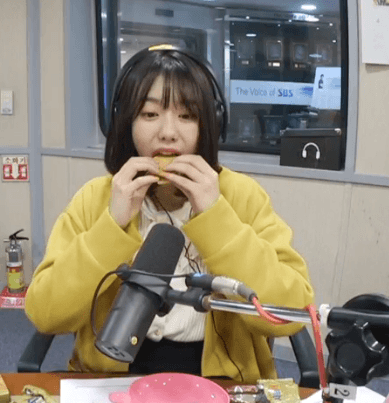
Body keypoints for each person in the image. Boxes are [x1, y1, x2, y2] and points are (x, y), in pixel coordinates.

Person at [25, 45, 314, 383]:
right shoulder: (98, 198)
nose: (168, 132)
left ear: (209, 124)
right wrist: (111, 226)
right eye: (150, 114)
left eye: (187, 116)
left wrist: (217, 218)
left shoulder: (240, 196)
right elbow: (46, 315)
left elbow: (289, 315)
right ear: (126, 122)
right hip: (111, 375)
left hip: (220, 380)